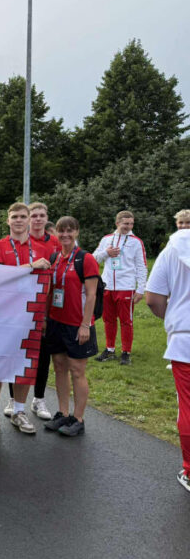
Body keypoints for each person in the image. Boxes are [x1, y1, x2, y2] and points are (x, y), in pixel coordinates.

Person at [0, 202, 51, 434]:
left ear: (29, 220)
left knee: (25, 364)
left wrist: (44, 314)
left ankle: (19, 411)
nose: (18, 220)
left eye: (23, 216)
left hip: (30, 314)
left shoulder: (42, 248)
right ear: (8, 220)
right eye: (14, 216)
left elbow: (47, 283)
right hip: (1, 314)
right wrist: (31, 266)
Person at [43, 217, 99, 437]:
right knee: (58, 366)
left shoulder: (85, 259)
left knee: (77, 370)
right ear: (56, 233)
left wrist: (85, 324)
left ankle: (78, 418)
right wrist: (47, 319)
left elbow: (92, 294)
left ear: (76, 232)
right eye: (61, 231)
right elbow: (51, 290)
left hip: (78, 324)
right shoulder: (55, 257)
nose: (65, 235)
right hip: (57, 321)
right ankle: (63, 413)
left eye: (70, 231)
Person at [145, 225, 190, 493]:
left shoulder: (172, 249)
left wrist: (173, 319)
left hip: (185, 337)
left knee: (187, 405)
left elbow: (153, 298)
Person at [93, 210, 148, 365]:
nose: (128, 227)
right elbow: (93, 259)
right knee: (108, 319)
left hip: (126, 287)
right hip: (107, 286)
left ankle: (126, 352)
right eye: (125, 224)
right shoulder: (106, 239)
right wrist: (106, 253)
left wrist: (140, 289)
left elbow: (142, 266)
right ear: (117, 223)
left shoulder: (136, 241)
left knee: (126, 321)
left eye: (131, 224)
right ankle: (110, 349)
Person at [26, 202, 62, 420]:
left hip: (47, 306)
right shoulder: (21, 241)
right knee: (19, 354)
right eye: (34, 215)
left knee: (43, 355)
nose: (38, 219)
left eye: (41, 215)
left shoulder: (56, 242)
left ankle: (39, 399)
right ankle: (13, 400)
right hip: (23, 305)